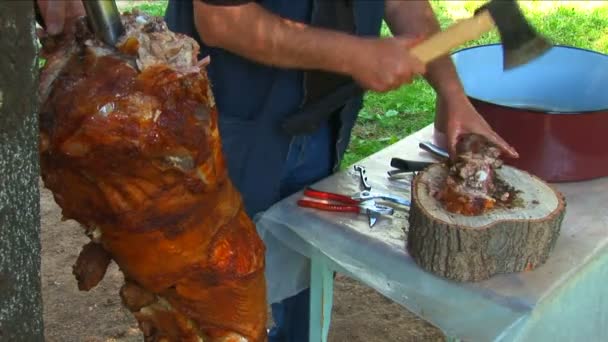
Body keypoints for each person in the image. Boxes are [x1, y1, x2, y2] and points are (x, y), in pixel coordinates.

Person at [37, 1, 518, 341]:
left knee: (300, 269)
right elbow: (223, 17)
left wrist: (452, 95)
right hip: (226, 124)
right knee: (208, 294)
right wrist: (356, 54)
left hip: (325, 116)